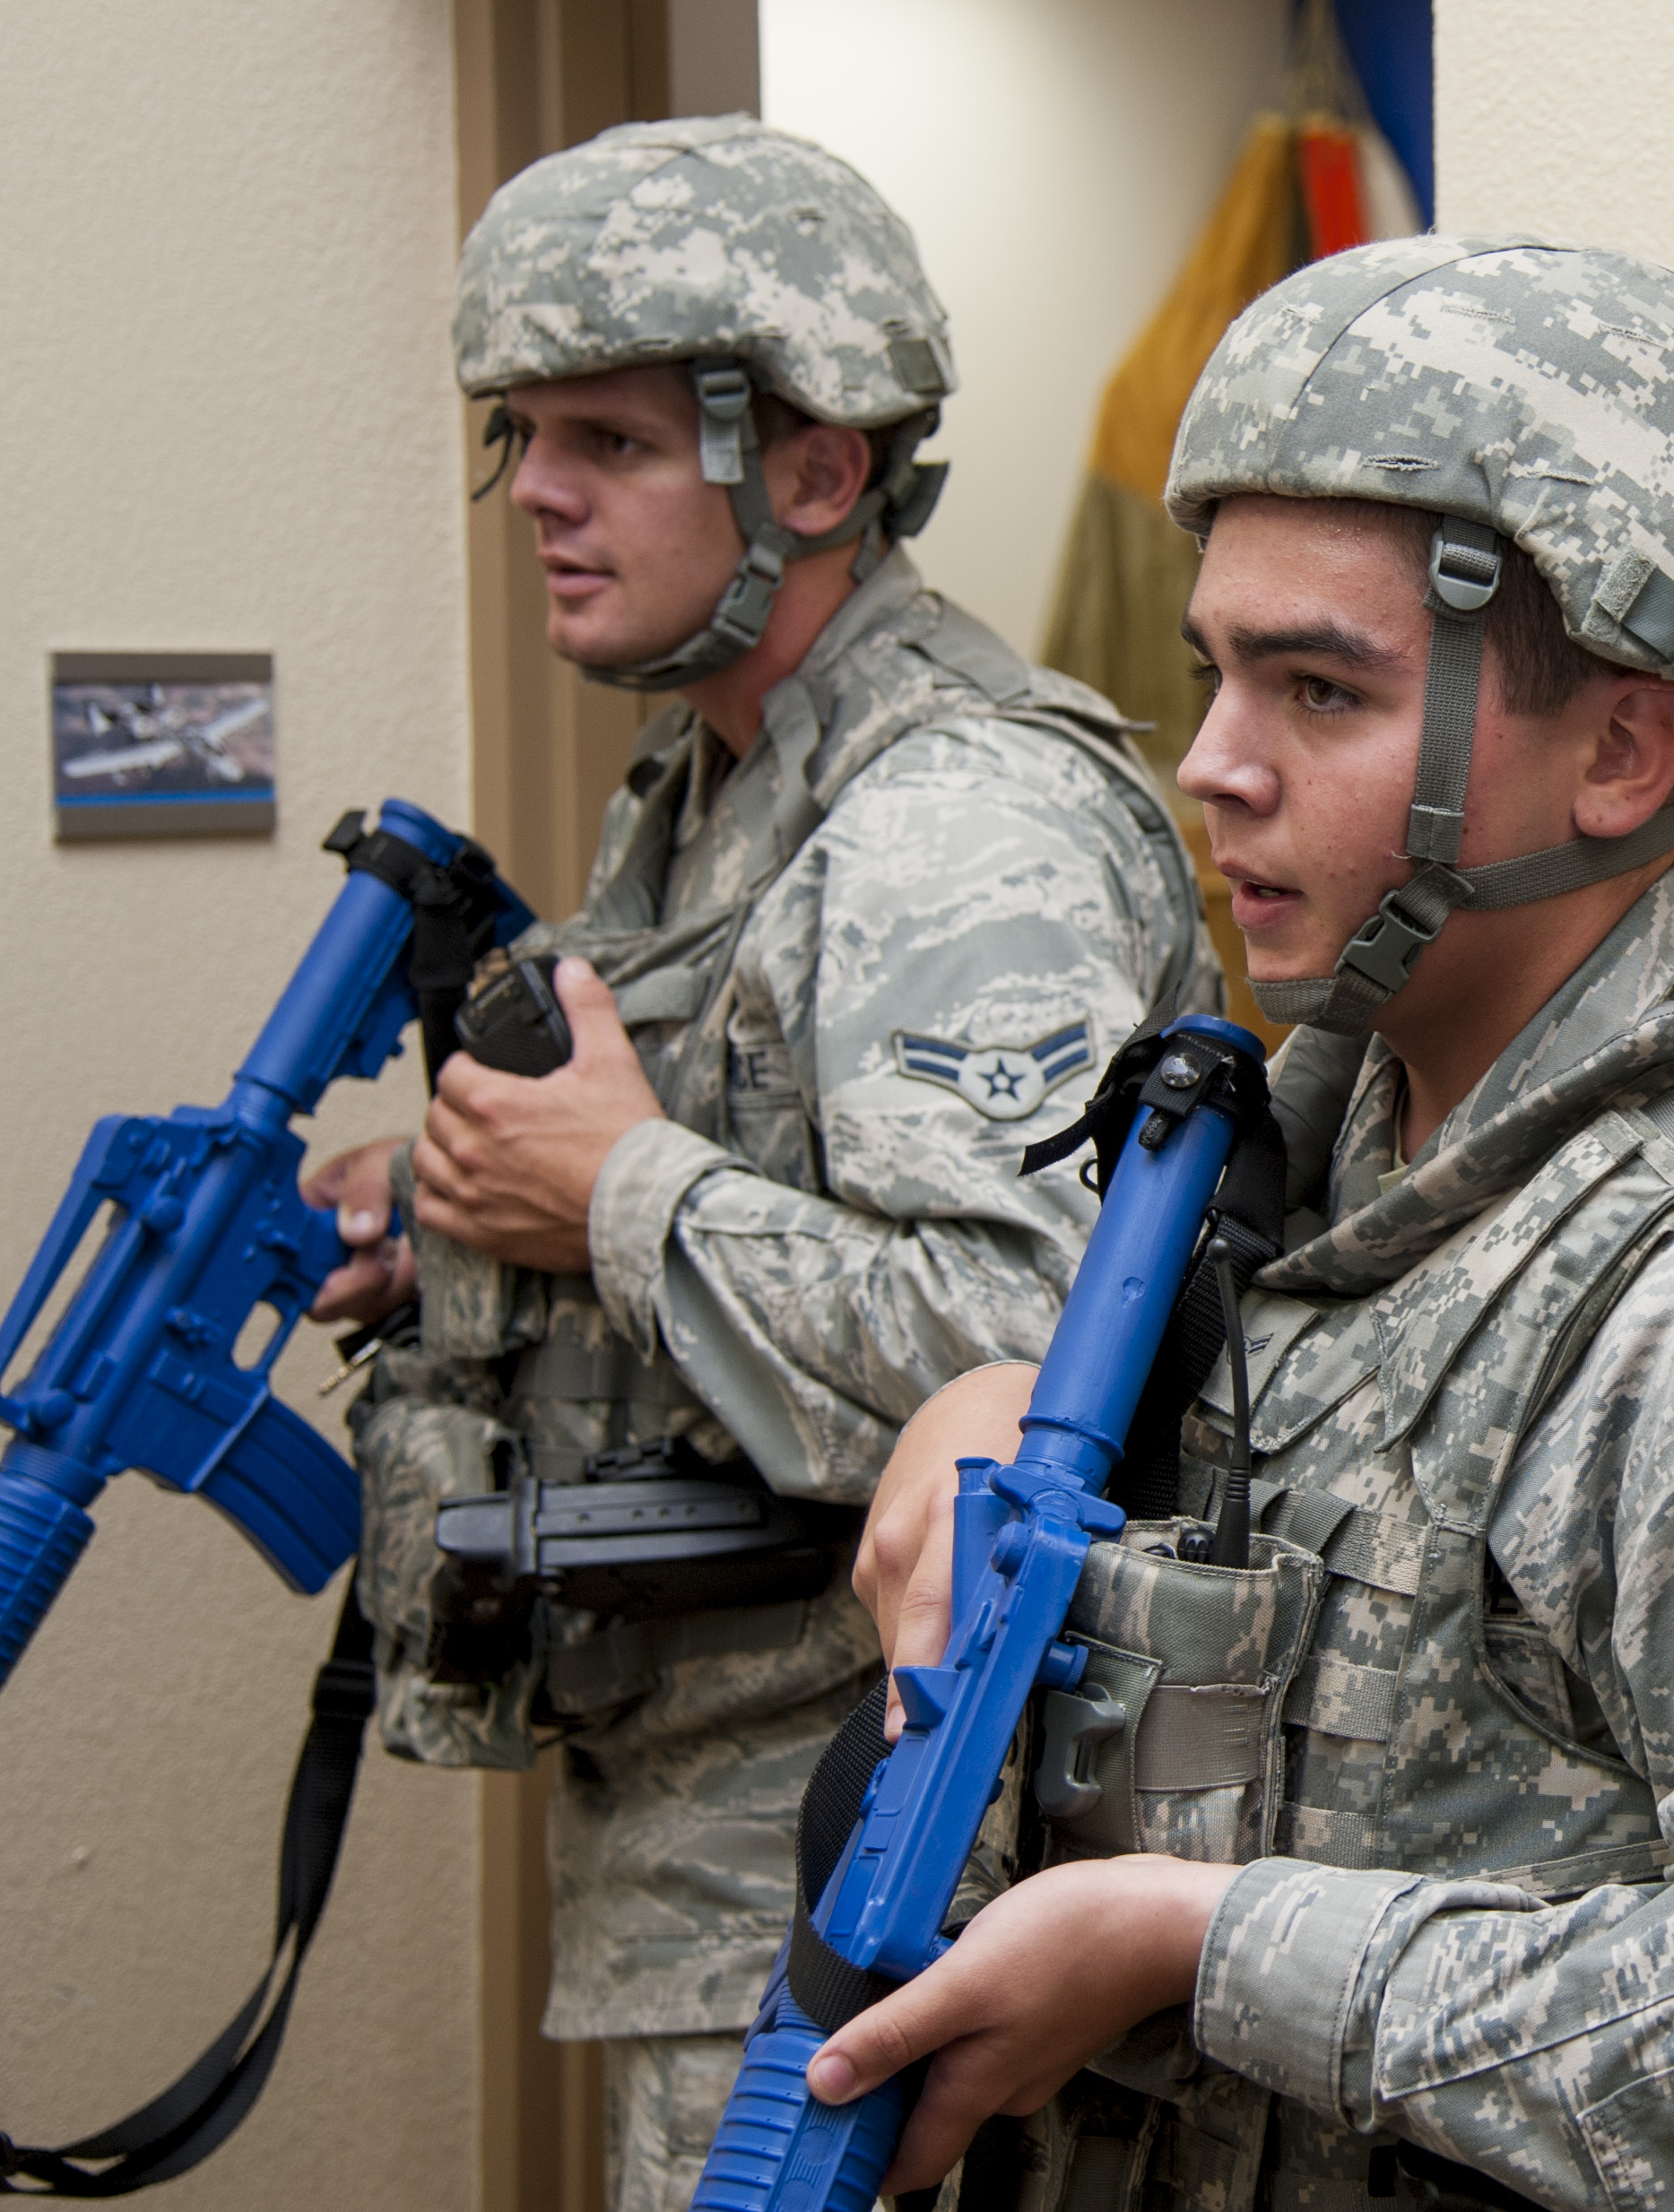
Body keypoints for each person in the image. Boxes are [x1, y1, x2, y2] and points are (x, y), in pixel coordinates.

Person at [810, 237, 1674, 2212]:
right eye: (1216, 671)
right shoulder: (1307, 1159)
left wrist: (1207, 1946)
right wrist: (991, 1408)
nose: (1211, 761)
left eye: (1321, 689)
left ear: (1622, 749)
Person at [304, 117, 1220, 2211]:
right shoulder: (718, 765)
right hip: (716, 1839)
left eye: (608, 439)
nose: (536, 489)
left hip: (862, 1873)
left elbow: (1029, 1344)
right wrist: (459, 1213)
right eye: (519, 433)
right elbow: (742, 1164)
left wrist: (609, 1194)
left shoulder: (948, 816)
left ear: (813, 469)